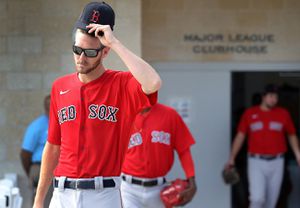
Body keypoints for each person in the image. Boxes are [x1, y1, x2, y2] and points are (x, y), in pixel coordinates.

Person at [33, 2, 161, 208]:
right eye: (77, 50)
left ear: (105, 52)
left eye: (90, 53)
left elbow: (153, 82)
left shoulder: (122, 84)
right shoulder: (60, 86)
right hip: (62, 194)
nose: (81, 58)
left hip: (102, 195)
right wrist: (38, 201)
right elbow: (53, 146)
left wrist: (115, 43)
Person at [225, 84, 300, 208]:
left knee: (271, 202)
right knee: (257, 199)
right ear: (263, 97)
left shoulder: (283, 114)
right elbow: (240, 136)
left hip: (277, 161)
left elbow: (292, 135)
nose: (273, 99)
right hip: (256, 161)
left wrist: (298, 155)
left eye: (276, 97)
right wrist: (232, 157)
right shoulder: (250, 113)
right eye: (270, 96)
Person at [120, 103, 197, 208]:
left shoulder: (170, 115)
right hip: (129, 190)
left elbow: (184, 150)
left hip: (159, 189)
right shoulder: (122, 115)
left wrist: (191, 180)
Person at [20, 95, 52, 207]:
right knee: (44, 202)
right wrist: (32, 171)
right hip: (40, 167)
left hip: (58, 168)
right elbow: (25, 153)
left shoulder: (61, 122)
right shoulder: (37, 125)